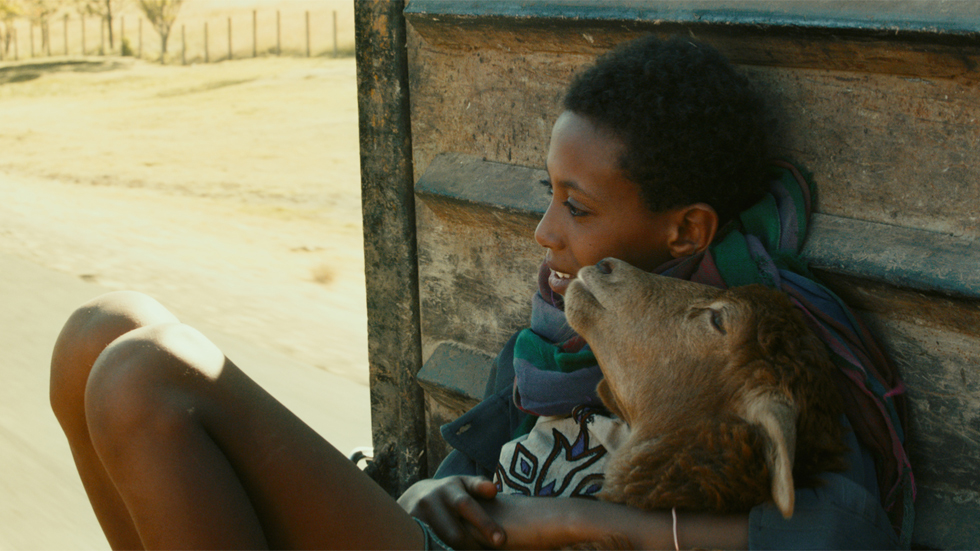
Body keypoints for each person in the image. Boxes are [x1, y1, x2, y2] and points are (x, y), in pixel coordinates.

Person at [50, 35, 910, 550]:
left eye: (578, 207)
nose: (545, 231)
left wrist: (571, 522)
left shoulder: (739, 341)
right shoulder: (554, 339)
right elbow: (466, 477)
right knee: (99, 329)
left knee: (144, 373)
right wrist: (429, 491)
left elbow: (846, 531)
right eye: (549, 193)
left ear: (686, 230)